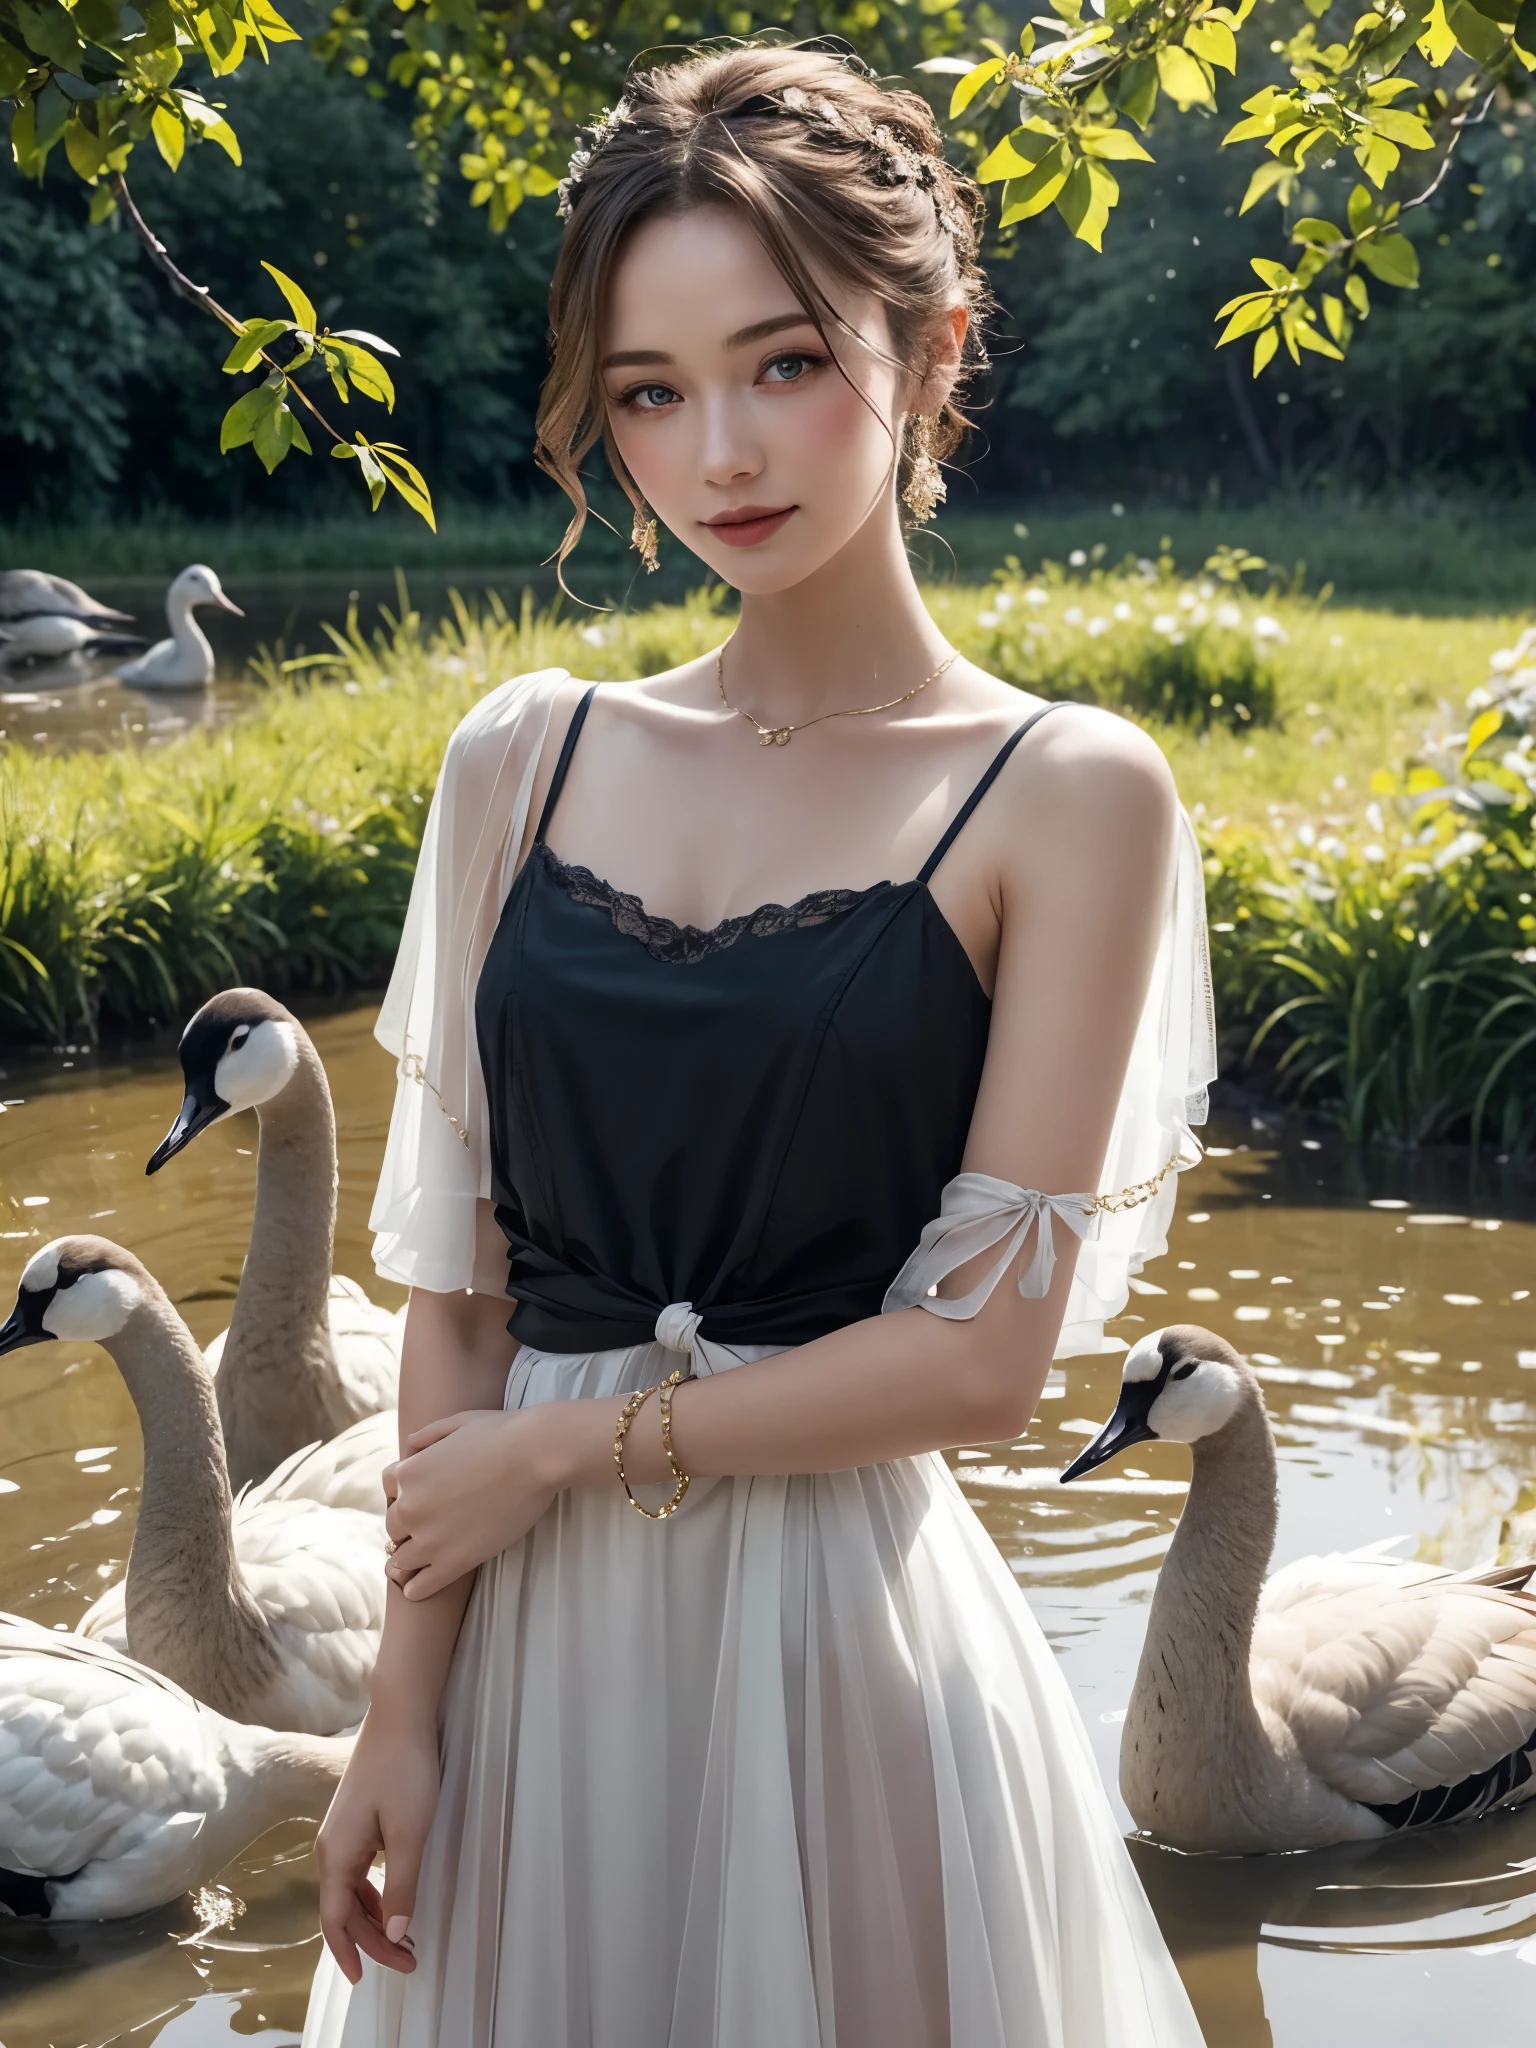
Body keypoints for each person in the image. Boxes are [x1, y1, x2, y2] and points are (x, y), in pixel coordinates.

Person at [302, 41, 1216, 2048]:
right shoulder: (521, 760)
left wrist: (559, 1444)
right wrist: (404, 1702)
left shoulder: (1068, 793)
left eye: (786, 360)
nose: (722, 450)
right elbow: (460, 1279)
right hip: (525, 1665)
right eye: (651, 390)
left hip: (839, 1659)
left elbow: (987, 1359)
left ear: (933, 339)